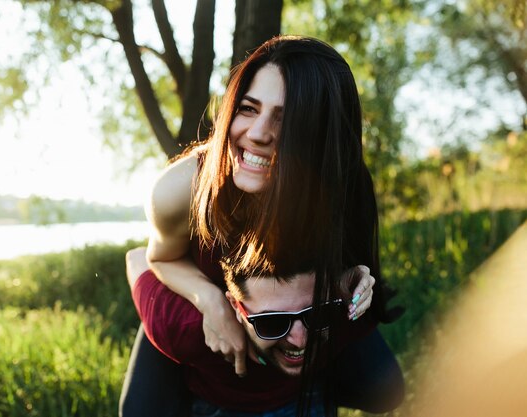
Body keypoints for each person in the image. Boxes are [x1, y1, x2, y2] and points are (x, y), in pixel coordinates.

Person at [120, 35, 404, 417]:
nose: (257, 134)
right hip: (202, 303)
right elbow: (159, 259)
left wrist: (352, 275)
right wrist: (210, 300)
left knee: (384, 387)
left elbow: (341, 263)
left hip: (290, 317)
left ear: (322, 135)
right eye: (249, 109)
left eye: (285, 119)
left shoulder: (345, 186)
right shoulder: (181, 187)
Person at [126, 246, 349, 416]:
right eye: (272, 322)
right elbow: (137, 257)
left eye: (316, 314)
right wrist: (206, 297)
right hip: (220, 402)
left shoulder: (348, 308)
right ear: (235, 306)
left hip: (306, 393)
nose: (301, 341)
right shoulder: (187, 329)